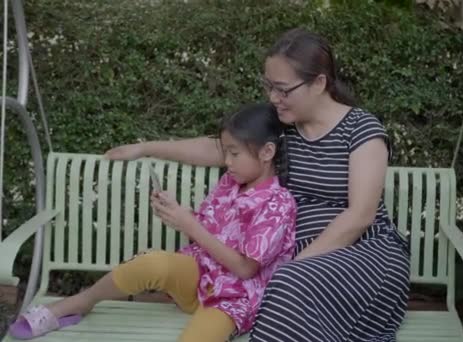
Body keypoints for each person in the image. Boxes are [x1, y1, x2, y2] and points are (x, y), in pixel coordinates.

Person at [106, 28, 410, 341]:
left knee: (290, 288)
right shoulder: (283, 123)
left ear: (319, 83)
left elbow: (359, 216)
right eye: (269, 87)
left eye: (283, 89)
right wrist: (145, 148)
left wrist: (294, 268)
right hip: (294, 258)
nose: (273, 98)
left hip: (362, 254)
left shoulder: (362, 130)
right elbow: (218, 148)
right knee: (286, 290)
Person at [9, 103, 297, 342]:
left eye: (235, 153)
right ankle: (76, 304)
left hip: (234, 300)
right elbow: (205, 232)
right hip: (200, 275)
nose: (228, 162)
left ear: (267, 153)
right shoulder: (230, 183)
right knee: (153, 263)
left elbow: (246, 268)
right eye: (225, 153)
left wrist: (189, 225)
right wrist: (177, 213)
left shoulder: (277, 204)